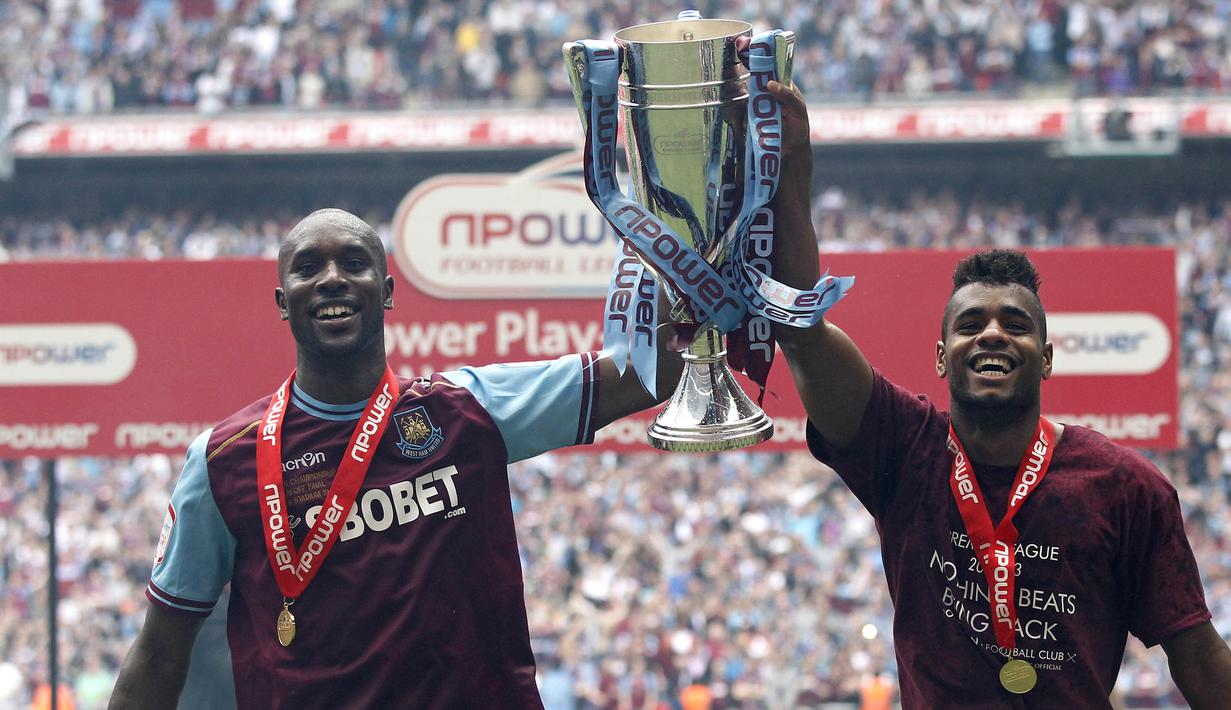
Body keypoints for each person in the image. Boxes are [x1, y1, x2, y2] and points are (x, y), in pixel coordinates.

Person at [765, 80, 1231, 707]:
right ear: (941, 356)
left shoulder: (1126, 487)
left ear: (1046, 359)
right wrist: (793, 163)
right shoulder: (903, 447)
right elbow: (800, 329)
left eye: (1015, 324)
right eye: (970, 325)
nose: (991, 334)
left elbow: (1198, 659)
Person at [108, 208, 681, 709]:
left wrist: (690, 267)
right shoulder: (222, 460)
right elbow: (160, 653)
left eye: (354, 263)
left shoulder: (467, 411)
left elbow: (646, 374)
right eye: (308, 268)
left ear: (385, 292)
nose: (332, 279)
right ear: (283, 303)